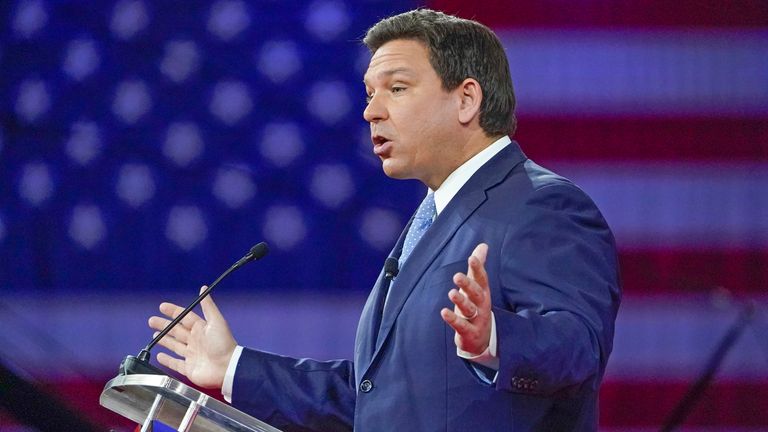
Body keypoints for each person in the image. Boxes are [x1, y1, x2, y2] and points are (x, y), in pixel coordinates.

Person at [148, 9, 620, 432]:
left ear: (466, 100)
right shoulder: (435, 215)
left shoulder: (543, 206)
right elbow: (376, 399)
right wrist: (233, 366)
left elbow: (576, 347)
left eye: (397, 88)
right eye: (370, 93)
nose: (371, 111)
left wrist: (493, 336)